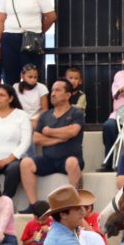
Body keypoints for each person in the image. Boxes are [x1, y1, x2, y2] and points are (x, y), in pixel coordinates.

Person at [19, 78, 86, 213]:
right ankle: (34, 206)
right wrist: (61, 138)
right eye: (52, 90)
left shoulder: (76, 113)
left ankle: (75, 204)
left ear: (68, 95)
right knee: (26, 163)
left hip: (69, 159)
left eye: (58, 90)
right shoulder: (45, 116)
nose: (53, 94)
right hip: (48, 160)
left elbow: (73, 131)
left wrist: (49, 131)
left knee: (72, 162)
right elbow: (36, 139)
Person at [0, 0, 56, 85]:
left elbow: (51, 16)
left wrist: (39, 31)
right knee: (10, 78)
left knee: (31, 78)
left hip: (30, 39)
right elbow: (0, 20)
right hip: (9, 38)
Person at [14, 63, 49, 128]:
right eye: (30, 77)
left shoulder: (42, 87)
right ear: (22, 76)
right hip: (19, 119)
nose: (33, 80)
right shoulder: (15, 87)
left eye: (35, 77)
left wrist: (35, 120)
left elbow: (44, 110)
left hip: (36, 120)